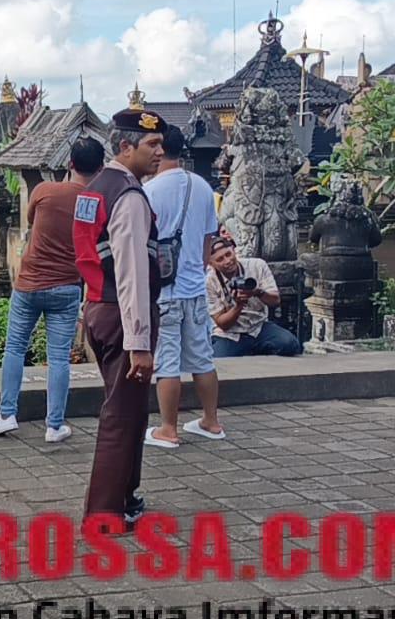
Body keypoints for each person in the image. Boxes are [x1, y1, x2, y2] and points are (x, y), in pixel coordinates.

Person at [74, 108, 165, 526]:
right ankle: (105, 512)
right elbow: (131, 273)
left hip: (99, 306)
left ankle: (125, 498)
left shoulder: (94, 189)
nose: (159, 152)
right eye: (152, 144)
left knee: (129, 410)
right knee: (121, 415)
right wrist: (139, 342)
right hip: (121, 311)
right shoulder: (127, 196)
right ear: (126, 147)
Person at [0, 137, 99, 443]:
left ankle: (7, 415)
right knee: (59, 357)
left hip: (29, 284)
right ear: (100, 168)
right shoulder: (92, 202)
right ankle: (54, 425)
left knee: (14, 348)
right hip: (67, 286)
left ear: (70, 164)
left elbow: (32, 219)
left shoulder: (44, 190)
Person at [142, 122, 224, 449]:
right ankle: (211, 421)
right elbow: (208, 241)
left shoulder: (149, 191)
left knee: (167, 362)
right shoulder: (202, 187)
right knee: (203, 358)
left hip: (165, 290)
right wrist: (196, 270)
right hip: (194, 287)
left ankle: (168, 429)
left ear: (159, 148)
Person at [206, 237, 302, 357]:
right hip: (230, 334)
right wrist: (238, 306)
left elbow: (275, 301)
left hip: (258, 326)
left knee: (290, 344)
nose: (227, 261)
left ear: (233, 250)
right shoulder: (209, 282)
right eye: (220, 259)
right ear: (211, 264)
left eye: (228, 254)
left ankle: (253, 350)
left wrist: (258, 292)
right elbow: (222, 323)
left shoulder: (257, 265)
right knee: (218, 359)